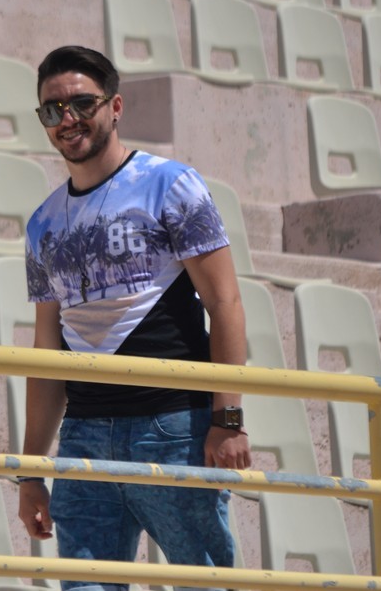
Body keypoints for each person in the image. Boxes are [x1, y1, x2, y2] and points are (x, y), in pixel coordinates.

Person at [18, 46, 250, 591]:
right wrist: (31, 470)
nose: (67, 119)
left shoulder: (170, 184)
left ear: (115, 106)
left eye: (82, 103)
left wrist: (227, 418)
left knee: (205, 584)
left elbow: (225, 303)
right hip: (83, 438)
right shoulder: (42, 224)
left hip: (172, 427)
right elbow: (47, 353)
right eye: (52, 109)